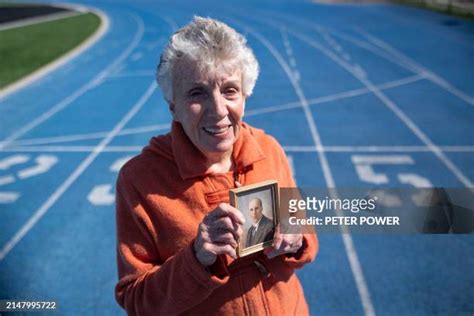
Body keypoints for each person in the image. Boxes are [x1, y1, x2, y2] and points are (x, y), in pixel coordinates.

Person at [115, 16, 318, 315]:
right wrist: (196, 259)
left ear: (245, 95)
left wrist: (296, 239)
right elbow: (136, 300)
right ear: (173, 105)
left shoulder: (269, 149)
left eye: (230, 90)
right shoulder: (140, 180)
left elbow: (306, 234)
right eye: (197, 93)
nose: (218, 110)